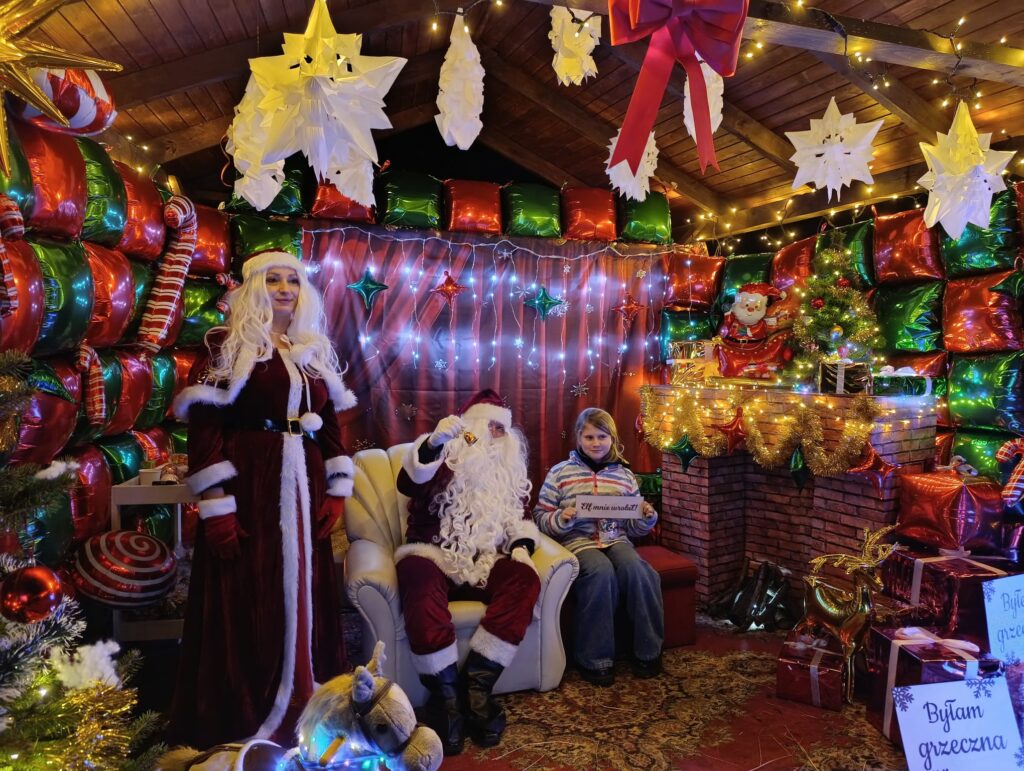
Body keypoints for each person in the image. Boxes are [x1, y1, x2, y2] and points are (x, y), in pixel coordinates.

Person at [167, 250, 357, 748]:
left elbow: (330, 426)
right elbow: (206, 431)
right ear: (254, 287)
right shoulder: (226, 346)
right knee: (250, 592)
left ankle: (310, 702)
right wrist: (217, 507)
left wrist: (337, 489)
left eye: (293, 280)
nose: (285, 289)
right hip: (253, 486)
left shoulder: (310, 348)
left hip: (304, 486)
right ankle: (250, 715)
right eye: (273, 280)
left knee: (305, 590)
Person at [395, 389, 541, 756]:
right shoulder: (446, 456)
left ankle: (476, 691)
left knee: (525, 579)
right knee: (416, 576)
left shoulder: (507, 471)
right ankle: (445, 699)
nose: (496, 435)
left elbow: (519, 519)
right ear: (472, 426)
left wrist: (521, 547)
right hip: (435, 555)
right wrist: (434, 443)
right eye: (490, 426)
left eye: (502, 429)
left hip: (484, 563)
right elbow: (408, 483)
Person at [534, 407, 663, 687]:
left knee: (639, 571)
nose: (596, 443)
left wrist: (646, 518)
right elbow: (540, 518)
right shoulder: (560, 473)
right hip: (578, 542)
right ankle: (595, 659)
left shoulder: (624, 476)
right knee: (600, 571)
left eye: (602, 437)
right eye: (589, 437)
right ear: (579, 438)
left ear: (612, 439)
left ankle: (648, 652)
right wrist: (561, 518)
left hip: (616, 539)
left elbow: (633, 527)